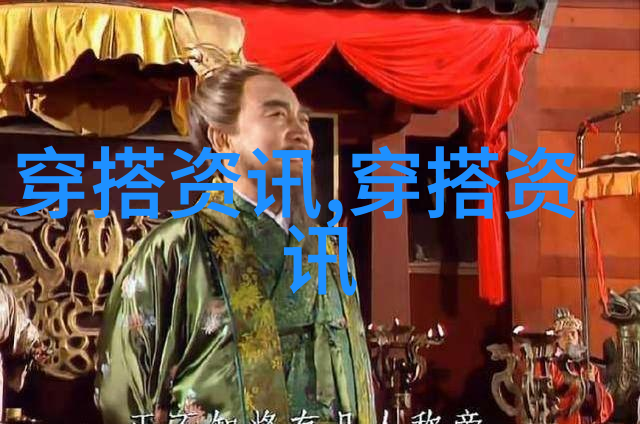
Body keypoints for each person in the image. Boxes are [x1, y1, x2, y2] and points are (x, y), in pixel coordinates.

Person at [95, 64, 376, 424]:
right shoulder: (177, 248)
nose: (301, 132)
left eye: (303, 119)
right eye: (277, 114)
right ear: (222, 140)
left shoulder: (331, 252)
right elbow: (123, 396)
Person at [550, 308, 614, 424]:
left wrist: (593, 385)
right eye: (563, 334)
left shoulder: (589, 367)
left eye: (573, 333)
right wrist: (580, 386)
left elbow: (605, 402)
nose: (569, 338)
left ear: (578, 337)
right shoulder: (551, 366)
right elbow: (553, 397)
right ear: (556, 340)